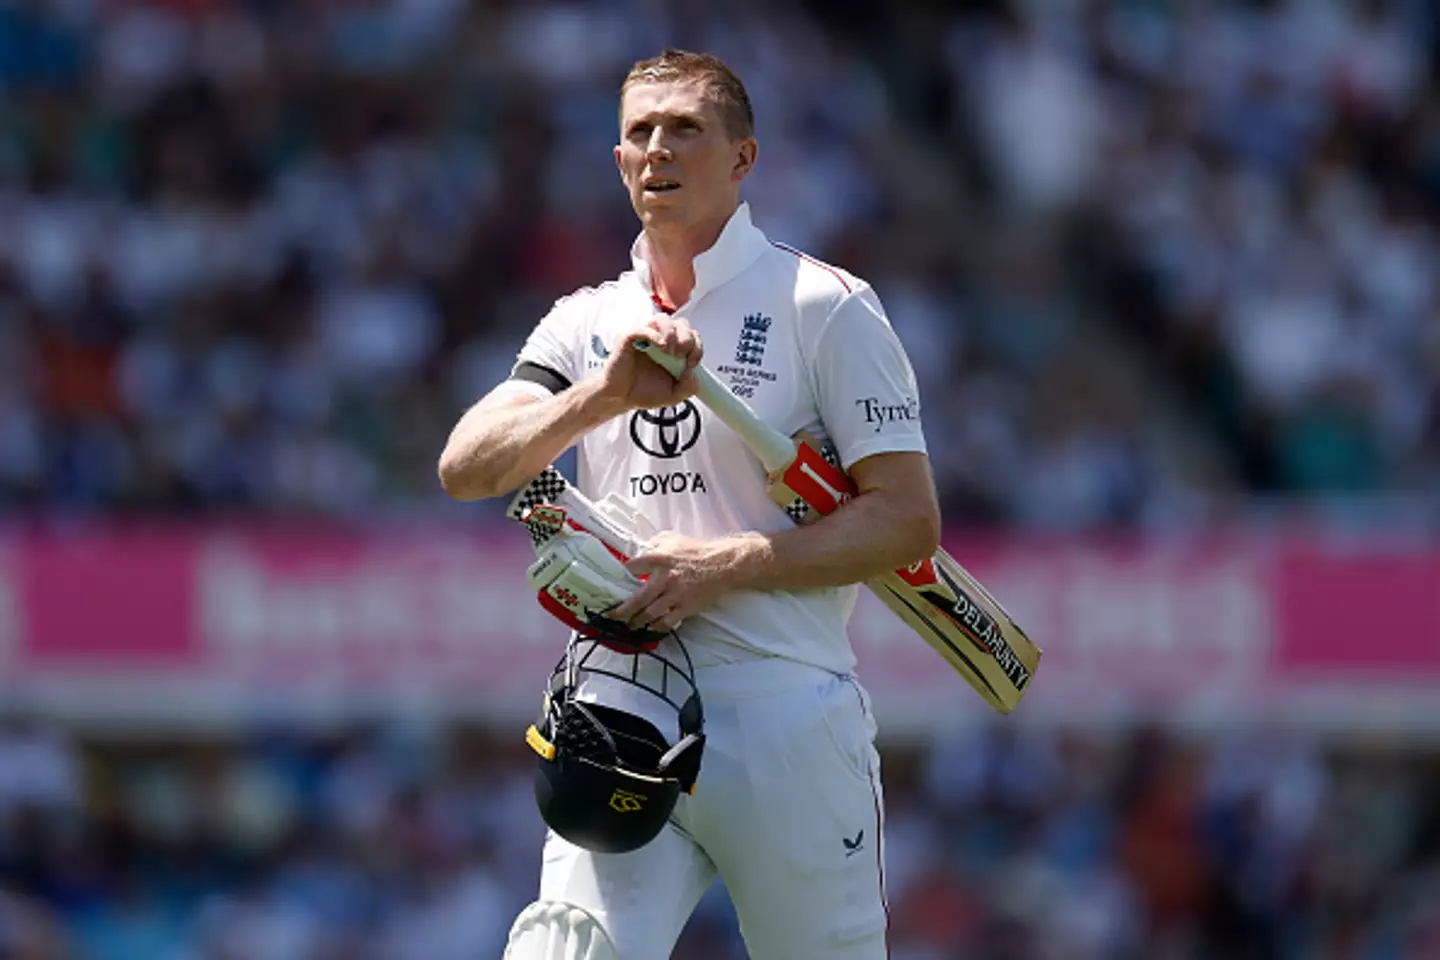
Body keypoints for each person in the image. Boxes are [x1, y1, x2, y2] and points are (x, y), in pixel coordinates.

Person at [438, 48, 940, 960]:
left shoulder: (824, 306)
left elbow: (907, 521)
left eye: (685, 129)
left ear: (743, 159)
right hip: (621, 701)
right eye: (640, 132)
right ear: (619, 161)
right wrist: (600, 397)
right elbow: (466, 468)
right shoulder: (583, 322)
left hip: (786, 705)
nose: (658, 147)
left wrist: (733, 564)